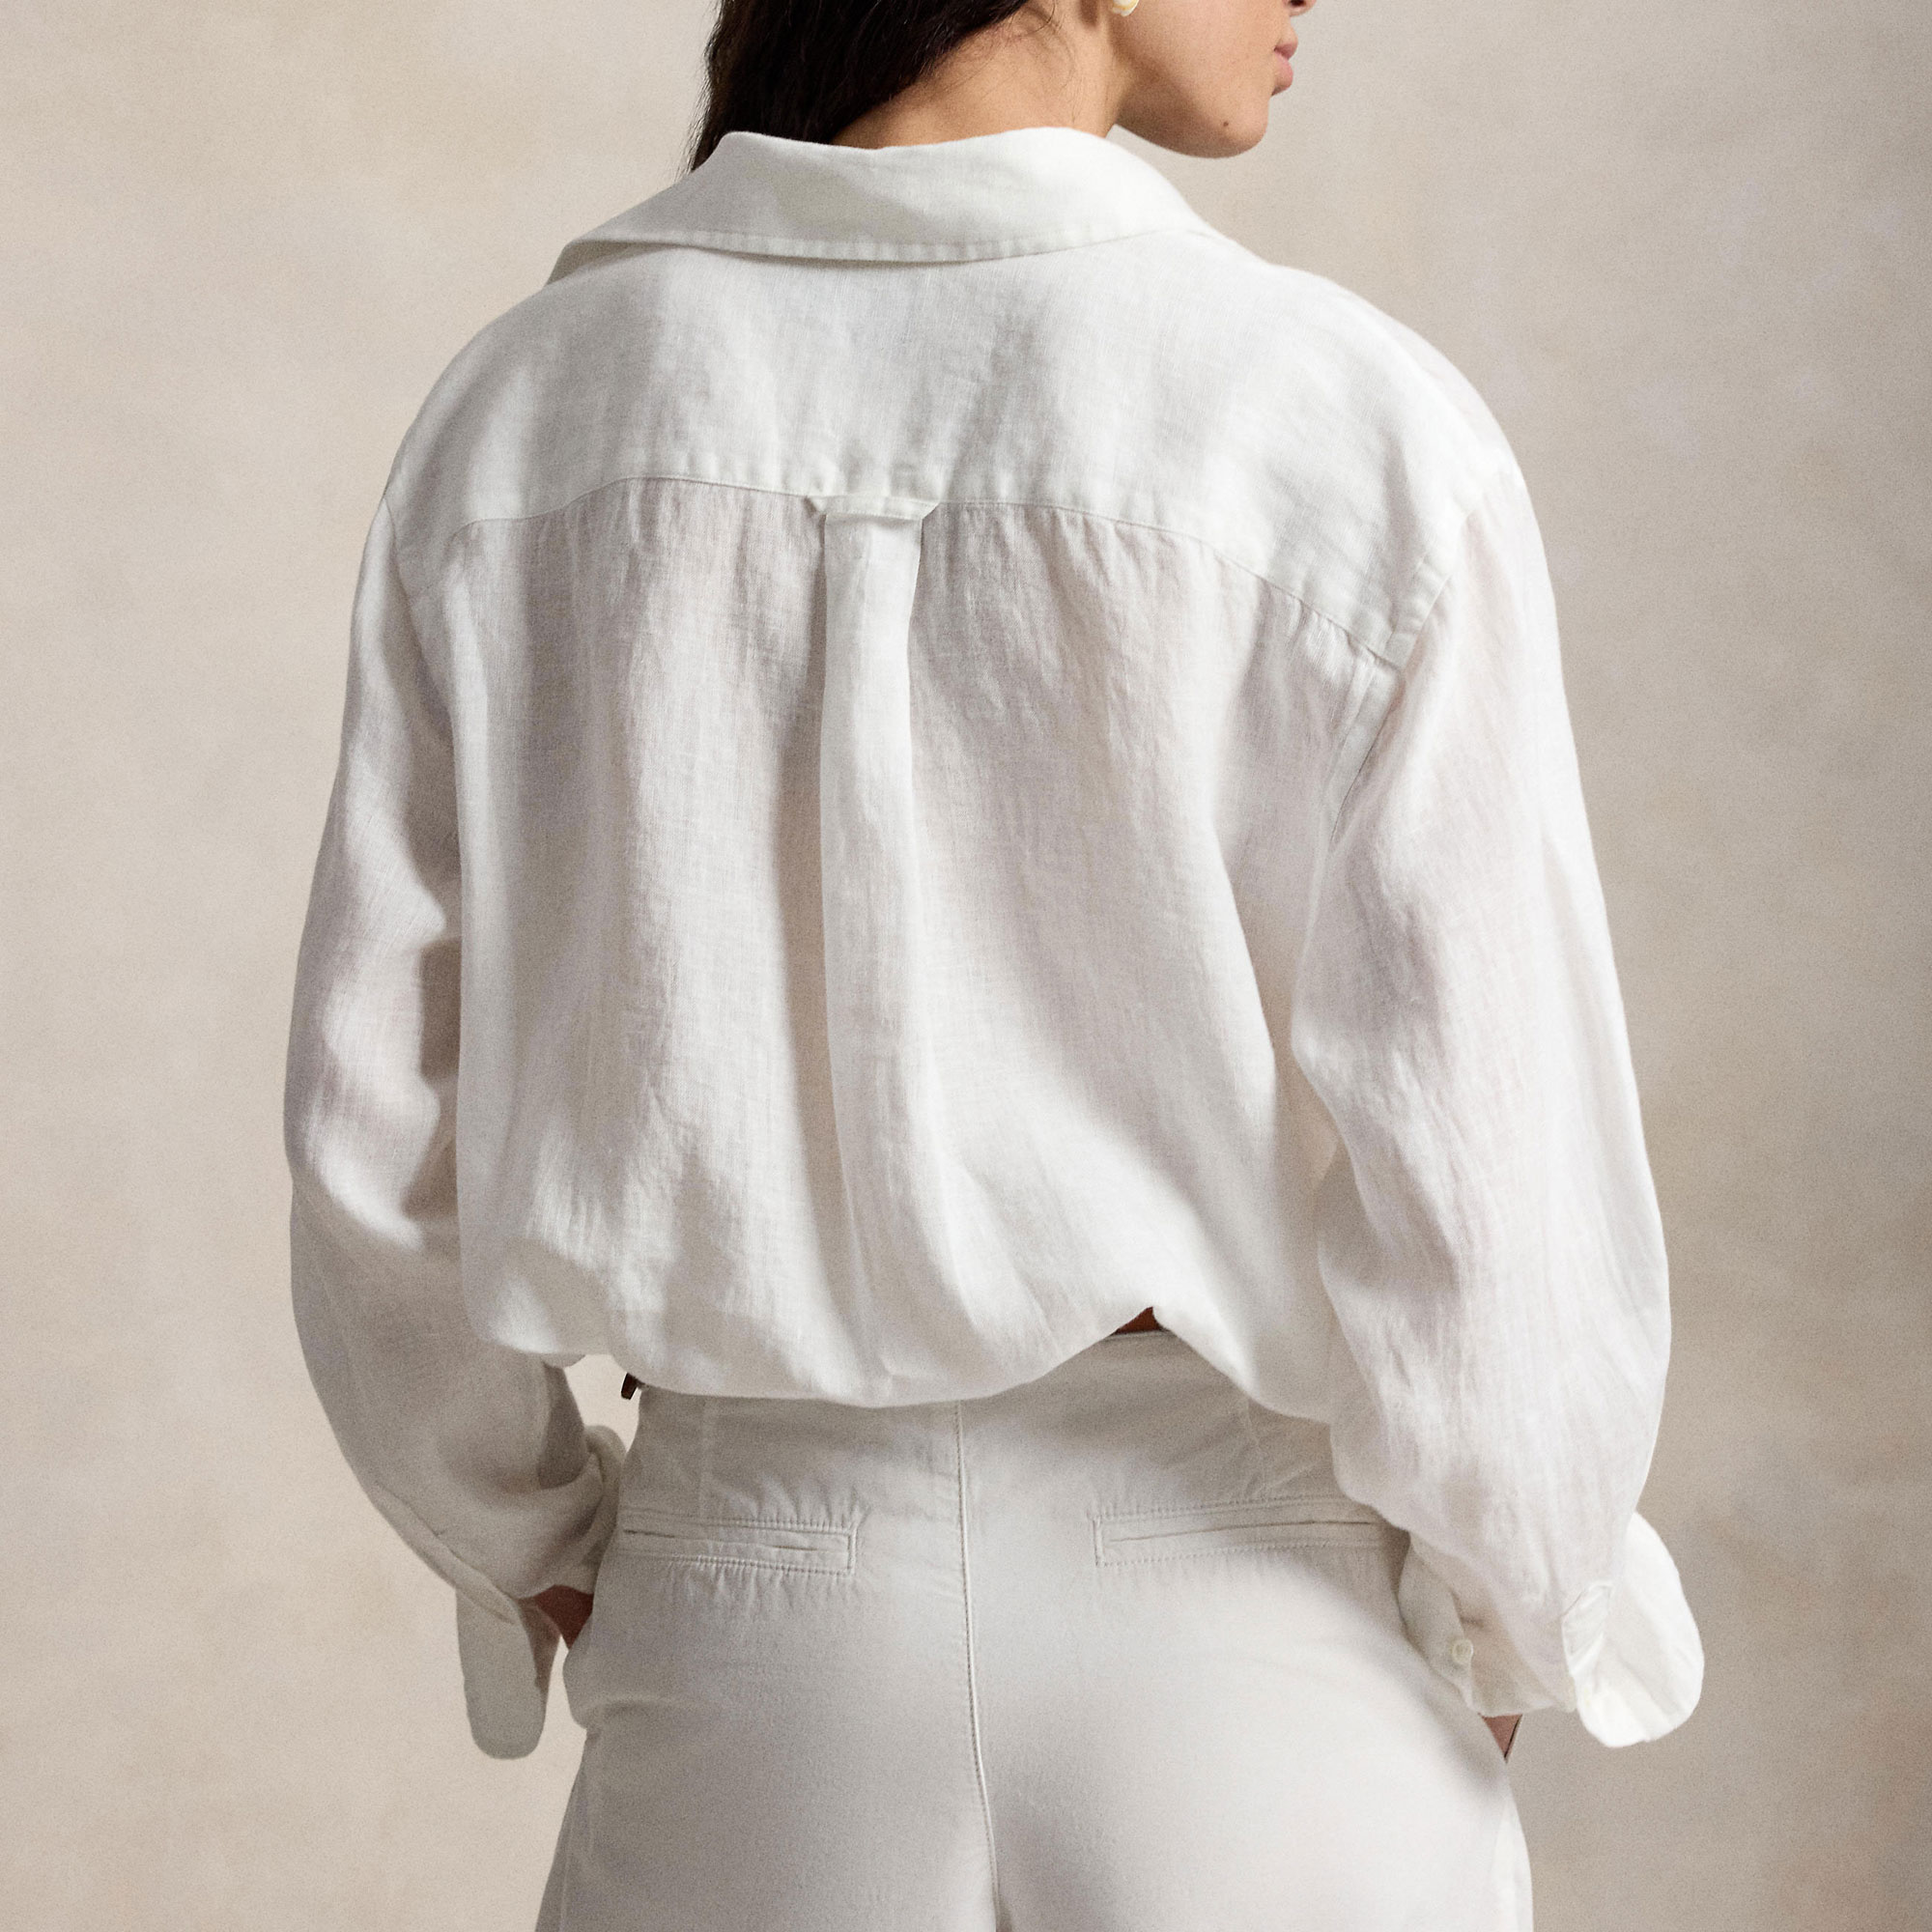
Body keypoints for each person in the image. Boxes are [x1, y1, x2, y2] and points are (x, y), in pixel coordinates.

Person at [281, 1, 1705, 1925]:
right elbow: (1490, 1165)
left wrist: (528, 1529)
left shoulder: (528, 414)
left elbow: (375, 1135)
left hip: (754, 1624)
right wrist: (1517, 1604)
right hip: (1252, 1637)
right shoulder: (1339, 423)